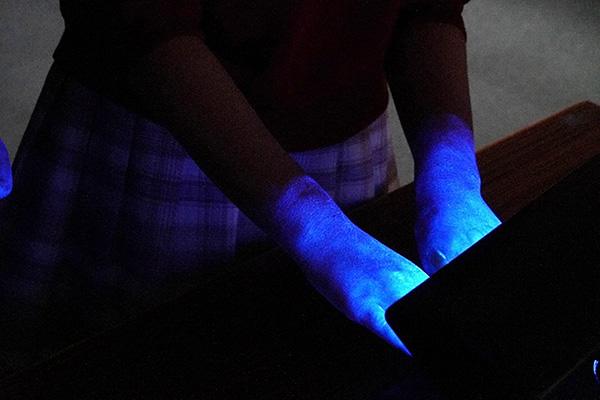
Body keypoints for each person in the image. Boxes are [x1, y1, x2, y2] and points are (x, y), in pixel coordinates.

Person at [0, 0, 500, 363]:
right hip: (165, 134)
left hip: (348, 148)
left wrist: (452, 174)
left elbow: (426, 8)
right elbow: (138, 19)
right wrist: (318, 229)